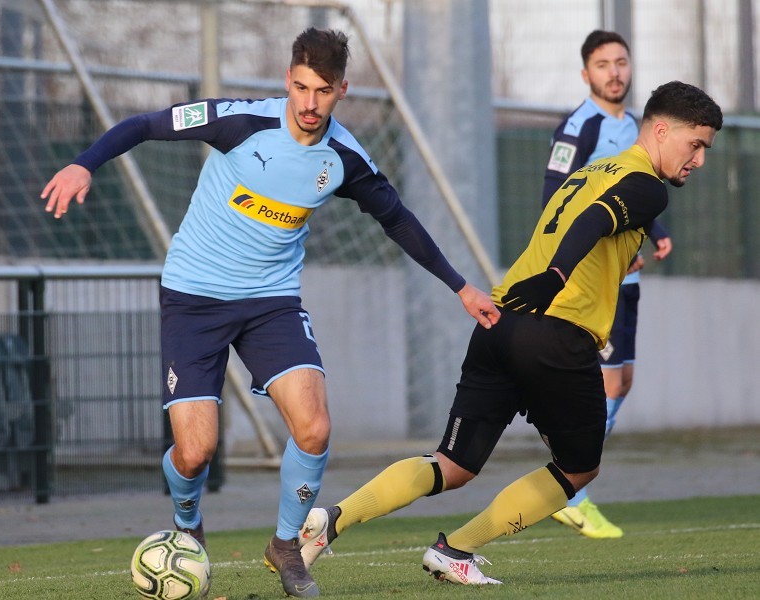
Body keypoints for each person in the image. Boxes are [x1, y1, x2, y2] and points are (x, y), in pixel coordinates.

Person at [41, 27, 499, 598]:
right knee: (195, 450)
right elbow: (145, 124)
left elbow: (398, 219)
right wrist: (85, 164)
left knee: (315, 427)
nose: (309, 103)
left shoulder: (346, 158)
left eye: (323, 91)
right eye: (301, 88)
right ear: (288, 81)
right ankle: (187, 531)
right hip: (194, 298)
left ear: (341, 91)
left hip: (270, 302)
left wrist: (460, 288)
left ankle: (286, 547)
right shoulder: (240, 122)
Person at [298, 81, 722, 586]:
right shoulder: (647, 185)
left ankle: (332, 519)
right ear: (660, 130)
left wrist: (598, 261)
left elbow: (587, 222)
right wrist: (560, 275)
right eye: (695, 144)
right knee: (579, 469)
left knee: (452, 464)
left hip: (501, 321)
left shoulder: (589, 171)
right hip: (556, 333)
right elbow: (594, 220)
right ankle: (456, 549)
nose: (699, 159)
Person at [543, 30, 673, 539]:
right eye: (603, 64)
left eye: (621, 62)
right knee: (606, 382)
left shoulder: (639, 126)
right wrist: (609, 254)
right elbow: (558, 201)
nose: (614, 72)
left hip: (629, 269)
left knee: (623, 381)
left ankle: (569, 482)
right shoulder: (579, 128)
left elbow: (640, 189)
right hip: (602, 273)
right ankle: (568, 487)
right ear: (586, 75)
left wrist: (656, 233)